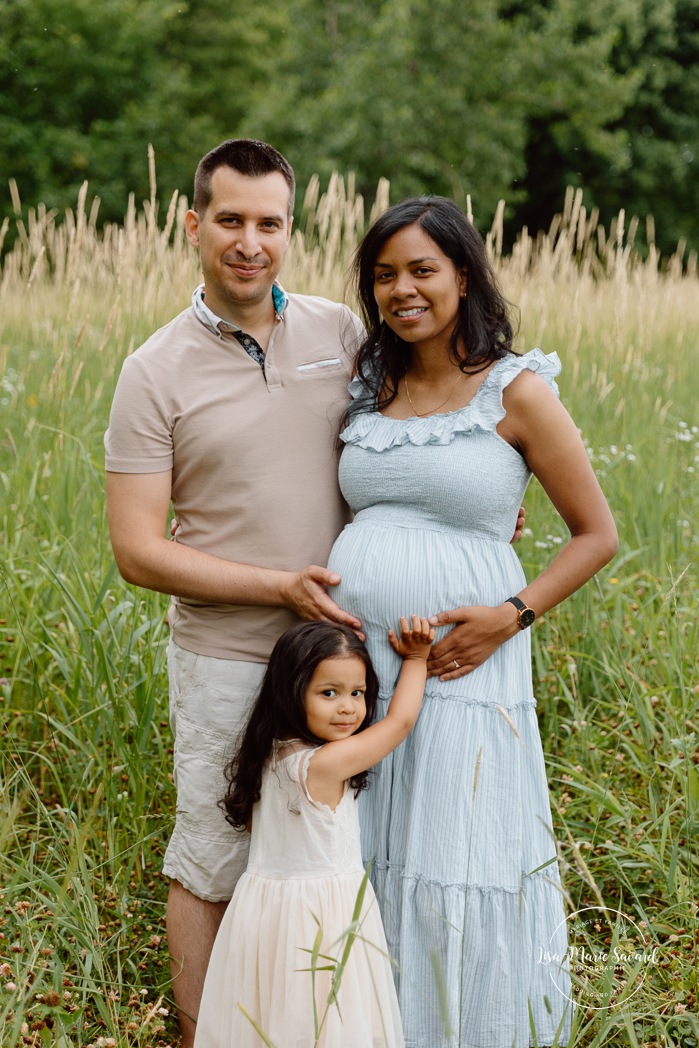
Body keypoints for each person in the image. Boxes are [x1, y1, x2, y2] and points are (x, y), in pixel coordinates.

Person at [324, 197, 619, 1047]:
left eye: (421, 269)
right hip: (364, 664)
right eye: (383, 274)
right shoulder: (367, 386)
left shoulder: (515, 389)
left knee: (454, 845)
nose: (401, 289)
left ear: (462, 274)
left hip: (466, 661)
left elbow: (596, 535)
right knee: (372, 839)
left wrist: (509, 616)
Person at [104, 139, 366, 1046]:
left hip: (343, 661)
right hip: (226, 655)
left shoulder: (341, 331)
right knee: (212, 860)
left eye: (269, 222)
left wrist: (474, 508)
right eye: (230, 220)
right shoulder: (154, 370)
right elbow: (136, 551)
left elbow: (425, 422)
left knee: (329, 857)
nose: (250, 241)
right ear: (192, 225)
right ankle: (198, 1036)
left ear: (290, 231)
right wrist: (276, 587)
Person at [192, 615, 435, 1048]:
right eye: (329, 693)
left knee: (275, 1021)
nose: (348, 707)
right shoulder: (322, 765)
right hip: (322, 918)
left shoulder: (268, 757)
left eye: (357, 693)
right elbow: (398, 723)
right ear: (291, 693)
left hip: (263, 916)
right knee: (326, 1023)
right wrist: (417, 658)